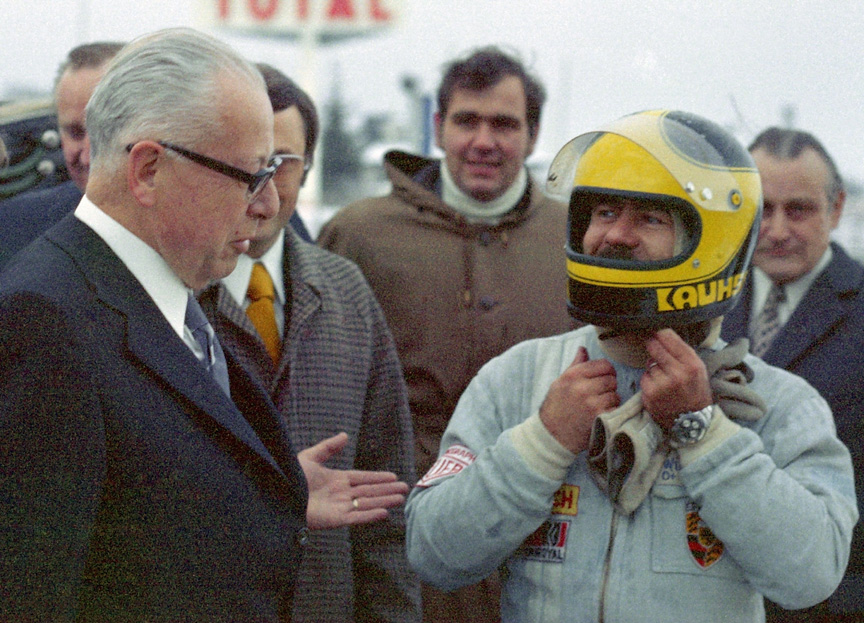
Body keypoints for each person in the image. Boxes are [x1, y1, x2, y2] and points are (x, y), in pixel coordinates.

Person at [0, 27, 395, 621]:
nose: (264, 207)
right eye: (247, 176)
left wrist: (267, 491)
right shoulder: (47, 322)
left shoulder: (160, 290)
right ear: (149, 170)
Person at [404, 110, 858, 622]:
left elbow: (813, 575)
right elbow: (431, 553)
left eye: (649, 218)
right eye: (602, 213)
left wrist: (705, 435)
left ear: (713, 239)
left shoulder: (776, 402)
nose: (615, 236)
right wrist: (541, 444)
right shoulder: (518, 379)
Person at [318, 46, 573, 622]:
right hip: (399, 543)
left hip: (544, 540)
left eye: (505, 124)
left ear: (533, 137)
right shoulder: (359, 237)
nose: (483, 141)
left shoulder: (577, 241)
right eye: (466, 121)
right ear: (437, 127)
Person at [199, 63, 421, 623]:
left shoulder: (345, 289)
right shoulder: (169, 294)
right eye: (246, 165)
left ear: (310, 167)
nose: (264, 188)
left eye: (282, 164)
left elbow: (387, 498)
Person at [0, 42, 313, 270]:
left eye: (110, 127)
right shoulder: (15, 230)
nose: (90, 152)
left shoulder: (250, 227)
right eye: (75, 131)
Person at [720, 127, 864, 622]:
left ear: (837, 208)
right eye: (762, 209)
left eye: (798, 209)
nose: (777, 230)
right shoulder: (702, 305)